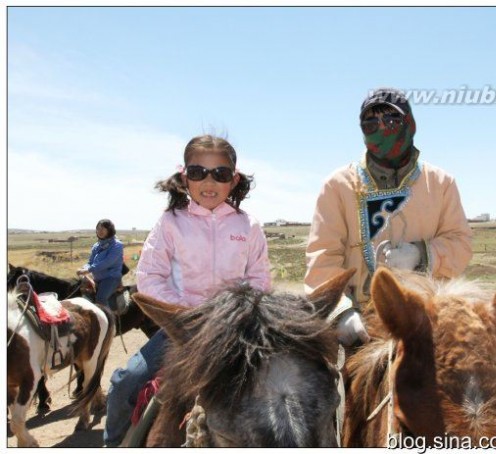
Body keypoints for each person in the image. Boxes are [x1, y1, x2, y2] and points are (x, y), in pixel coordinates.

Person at [103, 135, 271, 447]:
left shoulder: (249, 226)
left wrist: (238, 313)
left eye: (220, 174)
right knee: (125, 382)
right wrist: (186, 313)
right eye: (198, 172)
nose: (209, 181)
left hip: (236, 331)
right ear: (185, 178)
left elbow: (260, 279)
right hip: (181, 329)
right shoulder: (170, 223)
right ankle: (113, 445)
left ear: (233, 180)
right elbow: (150, 276)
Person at [304, 87, 473, 347]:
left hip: (430, 321)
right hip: (362, 326)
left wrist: (423, 254)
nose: (381, 128)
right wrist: (342, 313)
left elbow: (461, 244)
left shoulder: (441, 183)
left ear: (411, 124)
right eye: (370, 123)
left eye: (392, 121)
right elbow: (322, 259)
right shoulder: (337, 186)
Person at [77, 219, 124, 309]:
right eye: (98, 229)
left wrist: (88, 270)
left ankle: (110, 322)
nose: (100, 231)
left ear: (109, 230)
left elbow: (108, 262)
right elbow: (90, 262)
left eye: (103, 229)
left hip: (111, 277)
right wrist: (84, 269)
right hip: (97, 278)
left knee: (101, 298)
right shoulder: (96, 246)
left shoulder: (117, 245)